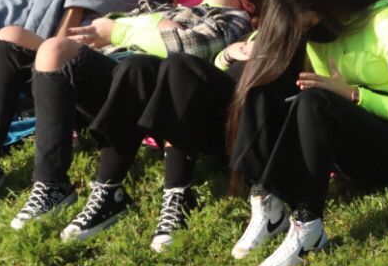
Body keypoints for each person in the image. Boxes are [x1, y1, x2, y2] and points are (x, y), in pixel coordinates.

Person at [0, 0, 265, 233]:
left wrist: (120, 30)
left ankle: (52, 184)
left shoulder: (232, 19)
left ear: (250, 3)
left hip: (141, 83)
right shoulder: (172, 6)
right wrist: (155, 23)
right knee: (11, 37)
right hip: (104, 64)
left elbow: (188, 48)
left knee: (54, 50)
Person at [226, 0, 388, 266]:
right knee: (261, 88)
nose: (304, 33)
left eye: (305, 24)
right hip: (348, 137)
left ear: (326, 6)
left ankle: (309, 226)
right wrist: (227, 55)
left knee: (315, 99)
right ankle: (268, 201)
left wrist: (353, 94)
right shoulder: (317, 31)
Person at [63, 34, 255, 253]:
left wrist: (273, 58)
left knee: (180, 64)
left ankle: (178, 195)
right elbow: (215, 71)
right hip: (215, 112)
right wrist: (228, 55)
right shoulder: (254, 32)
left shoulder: (295, 36)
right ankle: (108, 192)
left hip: (250, 121)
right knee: (138, 65)